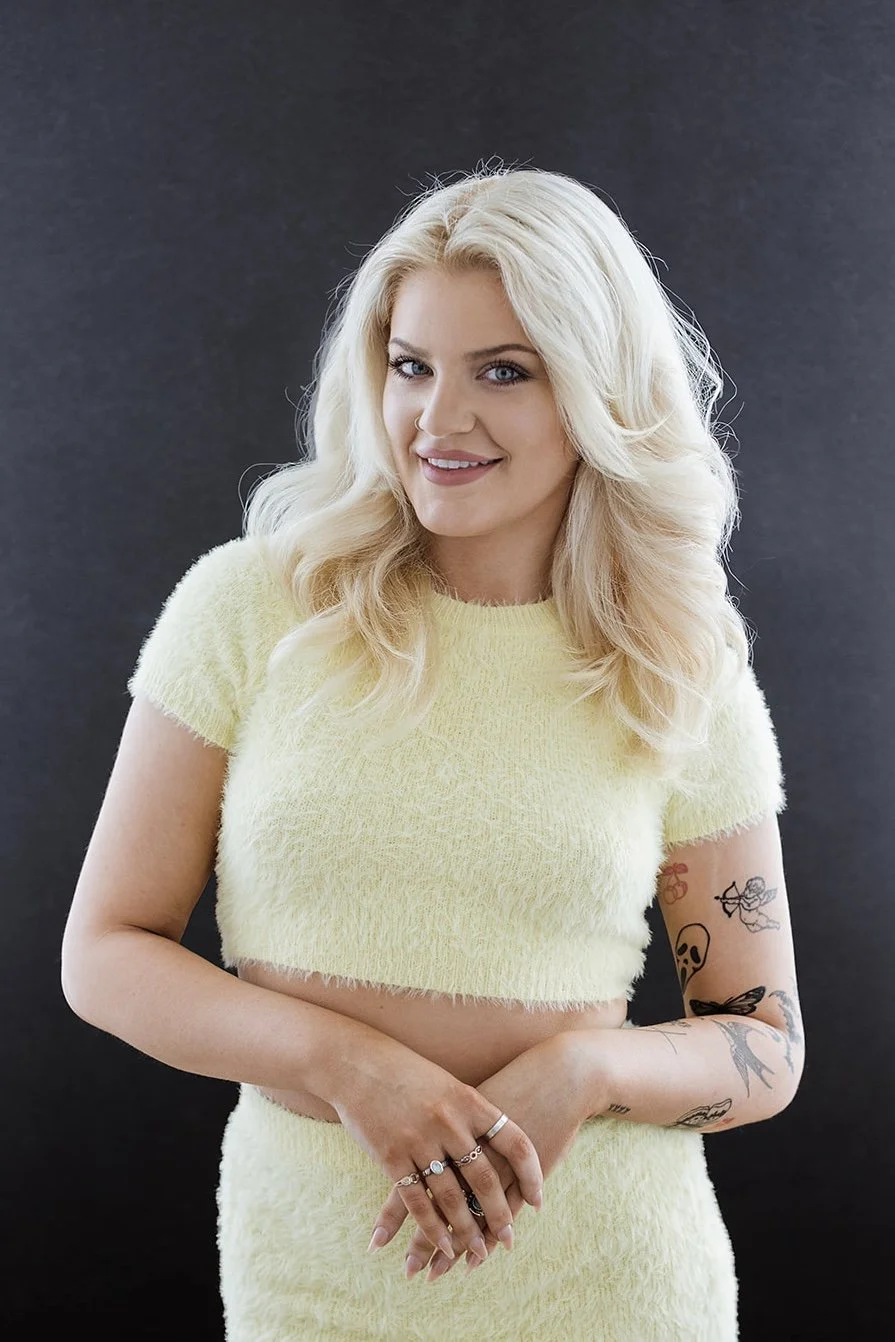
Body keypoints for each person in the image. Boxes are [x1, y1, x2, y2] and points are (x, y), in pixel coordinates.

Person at [60, 165, 804, 1341]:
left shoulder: (675, 659)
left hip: (609, 1280)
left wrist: (587, 1072)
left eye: (501, 371)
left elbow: (764, 1040)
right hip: (314, 1273)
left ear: (596, 393)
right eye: (411, 365)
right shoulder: (255, 607)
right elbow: (102, 953)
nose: (436, 420)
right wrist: (355, 1066)